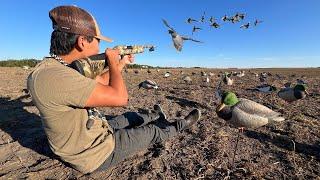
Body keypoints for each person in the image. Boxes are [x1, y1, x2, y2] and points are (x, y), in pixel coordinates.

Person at [27, 5, 201, 174]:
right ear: (82, 42)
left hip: (86, 133)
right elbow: (120, 98)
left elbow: (100, 82)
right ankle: (181, 125)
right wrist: (111, 61)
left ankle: (158, 116)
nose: (99, 48)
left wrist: (121, 63)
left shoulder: (57, 69)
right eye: (98, 41)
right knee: (152, 132)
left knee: (131, 117)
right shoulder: (56, 77)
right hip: (91, 153)